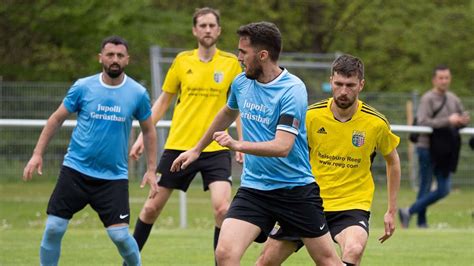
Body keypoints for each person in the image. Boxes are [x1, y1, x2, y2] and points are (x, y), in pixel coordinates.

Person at [171, 21, 342, 265]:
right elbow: (227, 113)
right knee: (225, 254)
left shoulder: (292, 90)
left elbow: (283, 147)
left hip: (295, 190)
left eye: (243, 52)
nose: (238, 57)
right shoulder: (241, 83)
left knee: (328, 261)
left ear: (262, 55)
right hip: (255, 189)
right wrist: (197, 149)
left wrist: (238, 145)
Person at [22, 36, 158, 266]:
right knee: (54, 227)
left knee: (121, 237)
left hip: (112, 177)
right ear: (100, 58)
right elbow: (56, 119)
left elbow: (149, 131)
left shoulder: (137, 93)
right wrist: (37, 154)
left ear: (127, 59)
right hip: (75, 171)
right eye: (110, 55)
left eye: (120, 55)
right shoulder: (83, 87)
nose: (114, 59)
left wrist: (152, 169)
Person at [255, 54, 401, 266]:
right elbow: (287, 155)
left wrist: (391, 210)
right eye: (339, 83)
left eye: (350, 85)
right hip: (308, 201)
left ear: (361, 85)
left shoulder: (376, 123)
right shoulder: (310, 116)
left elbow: (393, 161)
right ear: (331, 81)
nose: (343, 91)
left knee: (354, 249)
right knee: (265, 262)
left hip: (351, 204)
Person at [128, 7, 242, 258]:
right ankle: (130, 262)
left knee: (223, 209)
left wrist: (241, 142)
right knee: (150, 209)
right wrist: (140, 136)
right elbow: (162, 102)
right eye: (203, 25)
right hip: (179, 146)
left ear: (219, 30)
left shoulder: (231, 63)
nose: (208, 30)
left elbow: (238, 106)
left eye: (212, 25)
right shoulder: (182, 61)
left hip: (215, 148)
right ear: (194, 30)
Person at [399, 65, 470, 228]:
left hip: (445, 150)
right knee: (425, 185)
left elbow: (460, 116)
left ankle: (408, 211)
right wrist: (448, 121)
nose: (444, 81)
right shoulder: (427, 98)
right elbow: (423, 121)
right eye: (441, 78)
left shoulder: (453, 98)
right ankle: (421, 222)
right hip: (427, 148)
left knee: (444, 188)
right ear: (434, 80)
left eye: (447, 77)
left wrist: (464, 119)